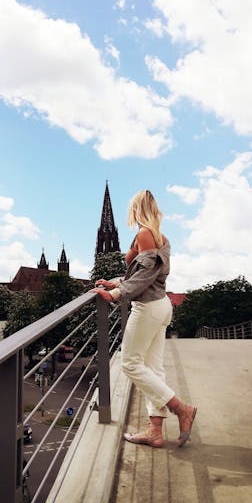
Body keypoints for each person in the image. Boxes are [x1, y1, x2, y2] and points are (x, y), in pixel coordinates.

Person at [93, 189, 197, 448]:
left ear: (136, 209)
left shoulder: (145, 234)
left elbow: (145, 277)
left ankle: (181, 409)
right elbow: (141, 272)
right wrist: (115, 281)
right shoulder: (159, 235)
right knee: (153, 369)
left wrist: (116, 293)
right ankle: (155, 431)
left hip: (148, 307)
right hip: (161, 305)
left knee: (130, 364)